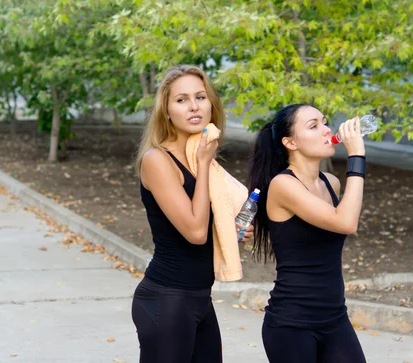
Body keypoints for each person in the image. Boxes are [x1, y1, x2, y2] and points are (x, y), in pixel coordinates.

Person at [132, 65, 253, 363]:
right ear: (167, 111)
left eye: (200, 97)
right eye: (182, 100)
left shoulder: (202, 161)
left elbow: (207, 227)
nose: (194, 106)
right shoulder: (157, 160)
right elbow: (195, 233)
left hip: (199, 299)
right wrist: (203, 162)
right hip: (166, 299)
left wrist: (232, 231)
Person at [248, 104, 368, 363]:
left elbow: (346, 218)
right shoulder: (283, 185)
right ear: (290, 142)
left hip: (335, 319)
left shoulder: (330, 182)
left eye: (325, 123)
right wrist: (356, 155)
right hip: (292, 325)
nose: (327, 130)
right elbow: (346, 222)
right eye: (313, 126)